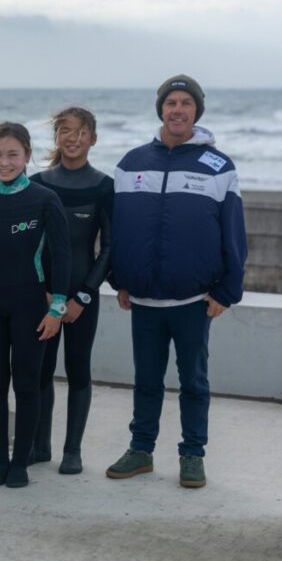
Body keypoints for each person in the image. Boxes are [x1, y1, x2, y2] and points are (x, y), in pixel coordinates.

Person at [106, 75, 247, 489]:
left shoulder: (219, 167)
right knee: (146, 381)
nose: (178, 110)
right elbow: (117, 230)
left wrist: (226, 292)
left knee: (194, 383)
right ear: (161, 110)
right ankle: (141, 451)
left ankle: (192, 455)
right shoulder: (131, 162)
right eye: (171, 103)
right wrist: (119, 280)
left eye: (186, 103)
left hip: (194, 301)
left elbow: (234, 234)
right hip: (144, 301)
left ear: (196, 111)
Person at [0, 122, 70, 488]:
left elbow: (62, 256)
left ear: (27, 157)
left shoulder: (44, 199)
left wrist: (57, 309)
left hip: (30, 306)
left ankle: (20, 463)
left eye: (13, 155)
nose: (4, 162)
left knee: (26, 385)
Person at [28, 107, 113, 475]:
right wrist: (43, 293)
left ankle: (72, 451)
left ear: (92, 138)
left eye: (80, 132)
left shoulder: (104, 186)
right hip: (42, 296)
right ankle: (40, 446)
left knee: (78, 370)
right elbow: (29, 245)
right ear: (56, 137)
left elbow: (108, 249)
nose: (72, 138)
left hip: (82, 297)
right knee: (40, 371)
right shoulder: (38, 183)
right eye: (64, 130)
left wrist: (83, 297)